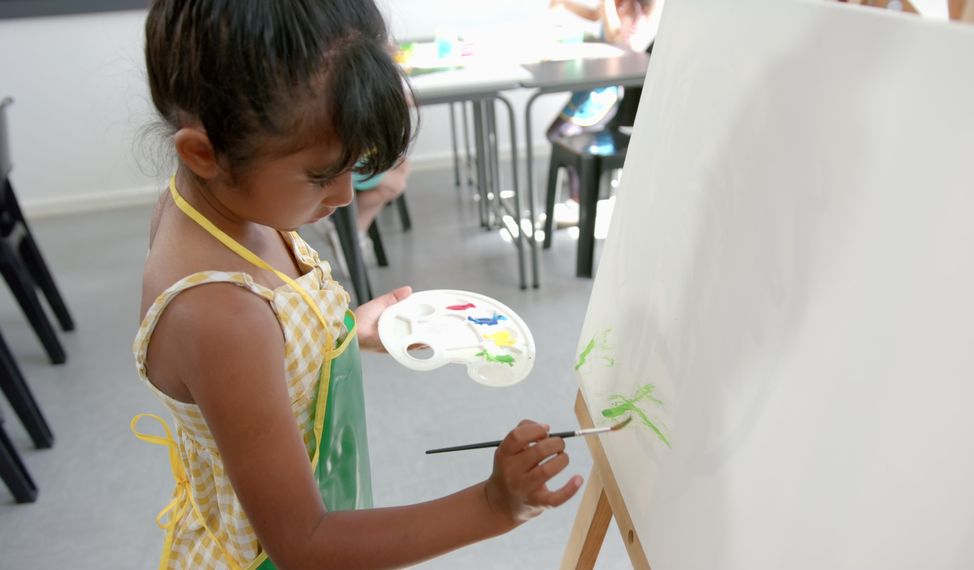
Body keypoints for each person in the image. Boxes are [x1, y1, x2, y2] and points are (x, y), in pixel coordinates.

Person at [133, 2, 582, 568]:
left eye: (355, 166)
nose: (346, 194)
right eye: (323, 174)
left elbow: (273, 344)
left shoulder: (229, 204)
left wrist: (342, 330)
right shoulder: (220, 314)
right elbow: (306, 543)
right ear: (205, 153)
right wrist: (492, 506)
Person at [546, 0, 662, 218]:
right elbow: (593, 15)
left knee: (561, 135)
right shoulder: (618, 4)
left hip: (604, 95)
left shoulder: (637, 10)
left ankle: (579, 199)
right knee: (559, 136)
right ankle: (579, 197)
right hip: (593, 87)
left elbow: (614, 34)